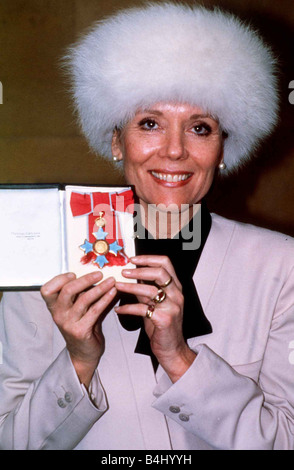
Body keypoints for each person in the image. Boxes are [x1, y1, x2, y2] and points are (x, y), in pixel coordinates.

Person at [0, 2, 294, 450]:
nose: (174, 151)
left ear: (223, 148)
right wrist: (78, 361)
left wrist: (179, 358)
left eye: (200, 127)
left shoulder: (281, 266)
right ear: (117, 140)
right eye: (150, 123)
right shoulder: (42, 264)